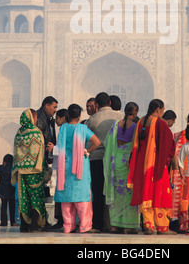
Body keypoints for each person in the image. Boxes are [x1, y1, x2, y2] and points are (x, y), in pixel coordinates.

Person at [127, 99, 175, 235]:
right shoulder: (159, 123)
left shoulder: (141, 121)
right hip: (155, 163)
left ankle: (148, 225)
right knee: (159, 193)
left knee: (145, 193)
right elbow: (168, 143)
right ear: (159, 109)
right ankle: (162, 227)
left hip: (141, 163)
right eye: (163, 110)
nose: (163, 112)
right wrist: (167, 160)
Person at [54, 104, 100, 233]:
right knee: (82, 196)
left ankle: (68, 226)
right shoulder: (82, 129)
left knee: (67, 197)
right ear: (79, 116)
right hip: (80, 167)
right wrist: (87, 151)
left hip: (65, 167)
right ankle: (85, 226)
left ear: (68, 115)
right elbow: (97, 142)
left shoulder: (63, 129)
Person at [86, 92, 122, 232]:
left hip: (97, 158)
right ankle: (115, 223)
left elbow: (87, 139)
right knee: (114, 191)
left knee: (97, 191)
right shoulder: (120, 117)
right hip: (115, 159)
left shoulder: (93, 119)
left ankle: (98, 224)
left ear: (97, 105)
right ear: (110, 103)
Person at [103, 102, 139, 234]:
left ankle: (115, 225)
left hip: (116, 162)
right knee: (129, 193)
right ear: (135, 113)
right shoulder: (135, 126)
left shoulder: (115, 125)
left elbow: (107, 143)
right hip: (128, 163)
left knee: (117, 192)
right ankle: (129, 225)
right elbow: (136, 146)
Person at [11, 108, 46, 232]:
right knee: (35, 197)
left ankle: (24, 224)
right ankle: (35, 224)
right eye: (35, 117)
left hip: (21, 171)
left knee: (23, 197)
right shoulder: (35, 132)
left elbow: (15, 151)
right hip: (34, 171)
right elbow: (39, 151)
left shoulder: (19, 132)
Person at [48, 108, 69, 231]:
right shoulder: (63, 129)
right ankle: (60, 220)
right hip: (63, 166)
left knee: (62, 194)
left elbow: (65, 149)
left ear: (63, 118)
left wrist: (54, 148)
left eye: (57, 118)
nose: (56, 120)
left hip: (65, 166)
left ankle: (62, 220)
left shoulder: (64, 129)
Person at [0, 154, 16, 227]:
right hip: (12, 189)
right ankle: (13, 222)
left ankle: (4, 222)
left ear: (4, 161)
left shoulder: (2, 168)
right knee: (12, 207)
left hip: (3, 190)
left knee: (4, 207)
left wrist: (2, 165)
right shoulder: (14, 168)